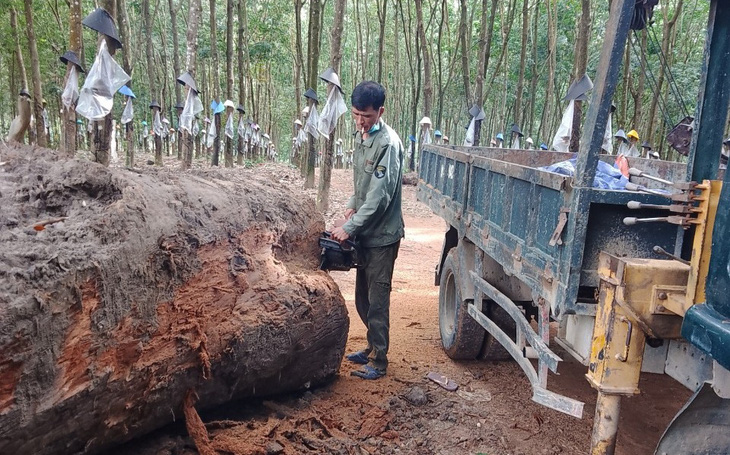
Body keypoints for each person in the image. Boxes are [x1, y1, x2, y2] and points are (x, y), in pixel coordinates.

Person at [331, 80, 405, 380]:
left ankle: (380, 361)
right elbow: (363, 184)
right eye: (356, 114)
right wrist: (351, 203)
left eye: (368, 116)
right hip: (366, 232)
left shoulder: (388, 143)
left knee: (377, 301)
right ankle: (371, 348)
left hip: (382, 237)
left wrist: (348, 228)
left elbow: (379, 197)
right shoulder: (363, 136)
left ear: (381, 112)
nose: (361, 121)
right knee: (363, 298)